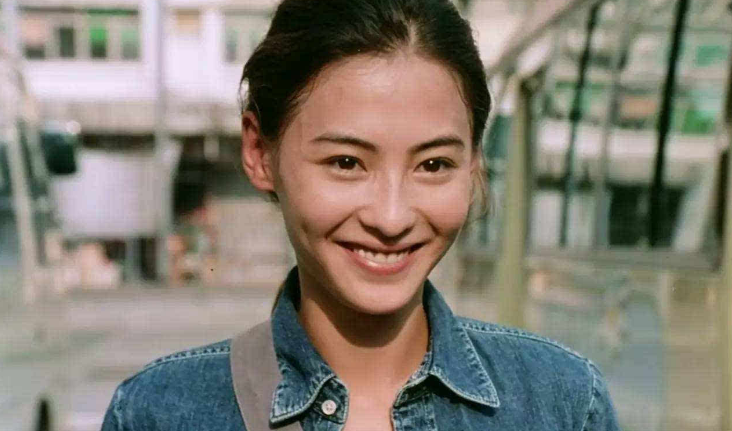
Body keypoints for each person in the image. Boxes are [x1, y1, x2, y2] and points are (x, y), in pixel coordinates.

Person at [101, 0, 620, 430]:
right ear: (259, 152)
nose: (391, 219)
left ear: (474, 166)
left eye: (433, 165)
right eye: (346, 163)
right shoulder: (159, 412)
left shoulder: (564, 404)